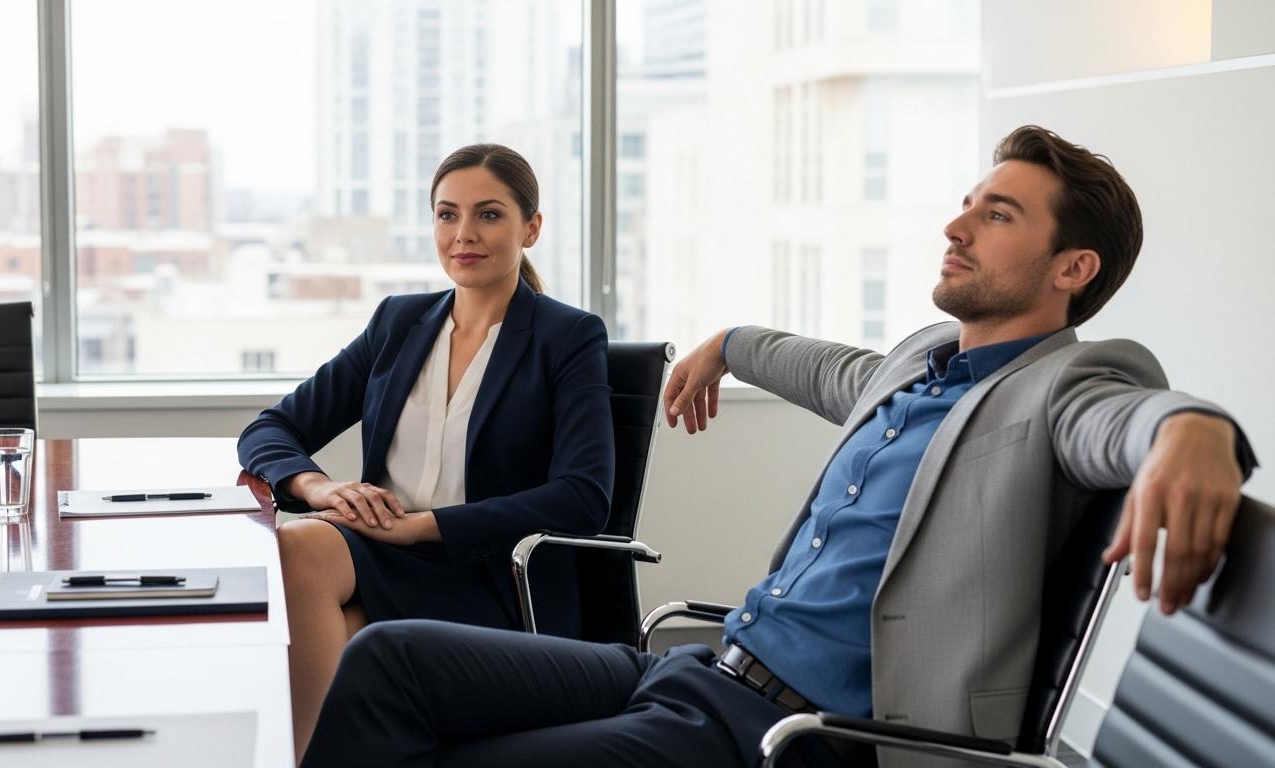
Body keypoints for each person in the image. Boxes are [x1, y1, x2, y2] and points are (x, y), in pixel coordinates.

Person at [298, 126, 1256, 768]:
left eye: (996, 216)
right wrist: (733, 343)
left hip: (789, 733)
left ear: (1071, 268)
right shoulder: (922, 363)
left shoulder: (1062, 388)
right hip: (702, 667)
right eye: (968, 203)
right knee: (388, 662)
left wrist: (1194, 428)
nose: (956, 225)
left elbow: (1121, 416)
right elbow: (829, 368)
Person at [237, 144, 614, 760]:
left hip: (490, 573)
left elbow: (584, 496)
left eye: (489, 215)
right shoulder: (398, 323)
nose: (464, 233)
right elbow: (270, 430)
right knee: (303, 545)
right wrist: (321, 489)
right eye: (447, 215)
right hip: (379, 557)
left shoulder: (567, 337)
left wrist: (421, 529)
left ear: (532, 228)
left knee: (339, 630)